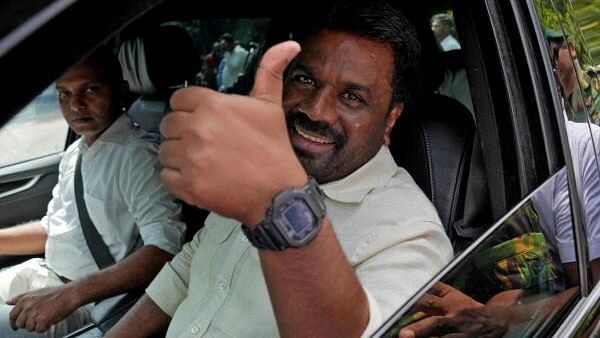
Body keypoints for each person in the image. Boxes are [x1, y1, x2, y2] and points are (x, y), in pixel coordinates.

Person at [107, 1, 453, 337]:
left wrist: (278, 202)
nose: (317, 111)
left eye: (352, 98)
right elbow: (188, 269)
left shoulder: (412, 236)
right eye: (305, 80)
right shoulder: (255, 162)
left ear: (390, 120)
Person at [0, 48, 186, 337]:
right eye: (64, 94)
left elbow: (164, 249)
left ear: (121, 91)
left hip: (87, 301)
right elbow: (54, 229)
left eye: (91, 89)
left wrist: (69, 295)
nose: (76, 105)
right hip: (43, 274)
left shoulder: (138, 157)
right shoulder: (76, 151)